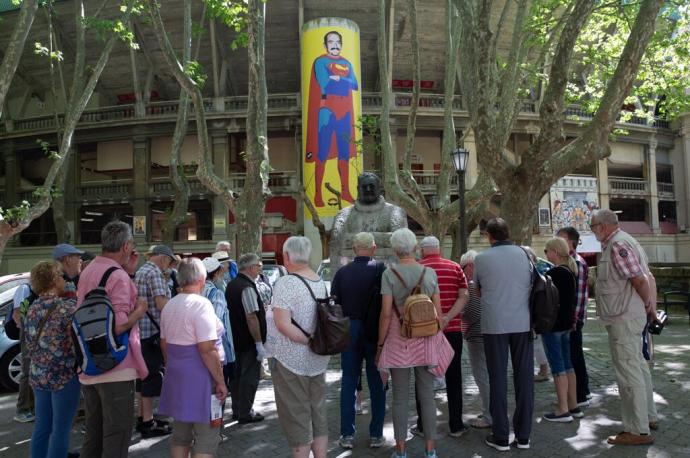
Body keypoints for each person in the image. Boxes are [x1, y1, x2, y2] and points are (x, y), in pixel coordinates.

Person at [77, 221, 149, 458]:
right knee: (117, 434)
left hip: (90, 363)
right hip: (116, 364)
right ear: (126, 246)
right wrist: (139, 310)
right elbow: (118, 325)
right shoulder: (117, 276)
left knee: (95, 433)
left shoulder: (89, 270)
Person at [377, 228, 448, 458]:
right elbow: (437, 311)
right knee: (427, 396)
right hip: (425, 338)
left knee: (399, 398)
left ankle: (400, 451)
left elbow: (386, 314)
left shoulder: (389, 274)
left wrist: (380, 345)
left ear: (395, 250)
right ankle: (431, 450)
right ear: (415, 248)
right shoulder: (429, 273)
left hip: (399, 341)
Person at [590, 209, 659, 446]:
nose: (592, 231)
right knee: (638, 367)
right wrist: (648, 306)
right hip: (629, 315)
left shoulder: (618, 245)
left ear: (603, 226)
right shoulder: (625, 241)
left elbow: (639, 279)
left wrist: (649, 304)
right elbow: (644, 277)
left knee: (629, 373)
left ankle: (637, 430)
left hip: (624, 318)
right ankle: (647, 417)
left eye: (593, 226)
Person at [158, 258, 228, 458]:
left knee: (181, 434)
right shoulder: (201, 304)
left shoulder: (170, 305)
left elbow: (164, 344)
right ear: (201, 278)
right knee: (207, 436)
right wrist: (220, 380)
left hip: (177, 374)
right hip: (200, 376)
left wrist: (172, 366)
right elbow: (207, 348)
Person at [474, 218, 533, 451]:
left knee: (497, 379)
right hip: (522, 321)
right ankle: (524, 435)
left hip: (494, 324)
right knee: (524, 379)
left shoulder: (481, 258)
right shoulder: (525, 254)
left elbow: (476, 290)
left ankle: (500, 436)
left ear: (489, 235)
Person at [268, 236, 330, 458]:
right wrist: (314, 343)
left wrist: (307, 340)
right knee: (318, 413)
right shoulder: (319, 281)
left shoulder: (286, 283)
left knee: (297, 415)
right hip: (318, 359)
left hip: (291, 360)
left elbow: (282, 324)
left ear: (286, 256)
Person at [331, 232, 386, 450]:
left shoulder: (342, 273)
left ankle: (347, 435)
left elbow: (335, 304)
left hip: (349, 328)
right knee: (378, 383)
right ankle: (376, 434)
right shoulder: (382, 270)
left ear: (354, 249)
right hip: (375, 329)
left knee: (349, 382)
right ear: (373, 249)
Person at [413, 236, 469, 439]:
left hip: (424, 331)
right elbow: (464, 296)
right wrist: (447, 317)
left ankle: (422, 425)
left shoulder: (417, 269)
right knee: (454, 377)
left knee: (423, 378)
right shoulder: (454, 268)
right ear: (439, 249)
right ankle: (456, 424)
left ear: (422, 250)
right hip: (452, 329)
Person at [24, 261, 80, 458]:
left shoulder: (32, 307)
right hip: (63, 377)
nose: (64, 279)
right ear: (54, 280)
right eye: (61, 276)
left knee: (42, 427)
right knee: (61, 429)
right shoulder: (67, 308)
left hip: (38, 375)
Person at [305, 30, 359, 207]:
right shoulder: (320, 61)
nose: (334, 45)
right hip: (326, 113)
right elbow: (324, 82)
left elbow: (355, 85)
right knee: (323, 152)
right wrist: (341, 81)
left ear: (341, 45)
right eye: (331, 42)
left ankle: (345, 191)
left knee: (344, 153)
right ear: (325, 45)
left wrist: (338, 79)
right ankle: (318, 194)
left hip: (345, 113)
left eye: (337, 42)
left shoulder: (347, 63)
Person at [134, 244, 175, 437]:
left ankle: (143, 418)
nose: (169, 265)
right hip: (152, 334)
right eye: (169, 260)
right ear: (164, 258)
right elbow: (161, 304)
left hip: (141, 333)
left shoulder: (142, 270)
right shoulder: (155, 273)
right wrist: (178, 306)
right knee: (151, 378)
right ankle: (149, 423)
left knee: (143, 379)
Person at [541, 237, 580, 422]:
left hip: (554, 326)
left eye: (546, 251)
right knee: (568, 365)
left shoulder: (554, 273)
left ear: (554, 252)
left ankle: (562, 409)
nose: (546, 254)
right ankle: (573, 405)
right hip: (566, 325)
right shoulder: (571, 271)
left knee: (558, 368)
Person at [225, 253, 267, 424]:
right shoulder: (246, 287)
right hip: (247, 340)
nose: (260, 269)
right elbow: (251, 317)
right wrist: (258, 343)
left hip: (235, 338)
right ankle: (245, 412)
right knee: (249, 377)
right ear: (250, 268)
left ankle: (238, 409)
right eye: (258, 266)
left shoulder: (232, 284)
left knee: (237, 377)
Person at [557, 226, 592, 406]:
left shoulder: (576, 262)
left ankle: (581, 394)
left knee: (574, 357)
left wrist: (574, 320)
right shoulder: (571, 261)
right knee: (572, 356)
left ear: (570, 242)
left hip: (574, 320)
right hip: (573, 319)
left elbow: (577, 296)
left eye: (560, 238)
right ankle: (579, 393)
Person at [459, 250, 491, 429]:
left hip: (477, 335)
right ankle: (490, 410)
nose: (462, 272)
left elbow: (473, 313)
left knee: (482, 376)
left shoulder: (471, 284)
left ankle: (488, 416)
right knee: (490, 375)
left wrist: (458, 314)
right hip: (490, 333)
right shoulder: (485, 282)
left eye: (463, 267)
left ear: (470, 266)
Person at [202, 256, 236, 389]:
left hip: (199, 348)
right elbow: (216, 323)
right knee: (218, 391)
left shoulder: (195, 291)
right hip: (218, 349)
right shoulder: (216, 293)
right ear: (215, 273)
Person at [12, 282, 35, 423]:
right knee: (27, 371)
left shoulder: (31, 290)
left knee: (31, 370)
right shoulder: (25, 289)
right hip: (28, 333)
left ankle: (29, 407)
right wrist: (27, 330)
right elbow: (18, 314)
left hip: (31, 332)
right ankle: (23, 409)